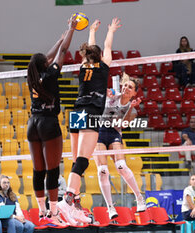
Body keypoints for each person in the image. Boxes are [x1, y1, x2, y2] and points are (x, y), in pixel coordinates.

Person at [57, 18, 122, 225]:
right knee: (83, 160)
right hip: (91, 113)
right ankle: (67, 199)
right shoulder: (103, 67)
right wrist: (110, 30)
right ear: (100, 56)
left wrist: (92, 31)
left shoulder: (83, 66)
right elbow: (108, 46)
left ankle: (74, 201)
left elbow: (94, 50)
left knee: (77, 160)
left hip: (76, 112)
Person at [26, 15, 77, 225]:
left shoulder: (31, 75)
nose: (49, 61)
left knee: (38, 170)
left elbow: (45, 58)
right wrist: (71, 30)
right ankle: (54, 213)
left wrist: (58, 39)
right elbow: (62, 53)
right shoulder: (50, 75)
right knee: (52, 171)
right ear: (45, 64)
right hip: (48, 123)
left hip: (33, 123)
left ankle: (42, 212)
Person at [95, 73, 144, 219]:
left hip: (114, 133)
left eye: (131, 87)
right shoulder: (113, 95)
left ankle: (139, 198)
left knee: (121, 165)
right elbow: (101, 94)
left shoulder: (133, 110)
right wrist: (106, 93)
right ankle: (110, 208)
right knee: (102, 170)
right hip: (99, 131)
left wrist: (130, 108)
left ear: (135, 93)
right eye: (126, 85)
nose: (127, 88)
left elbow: (121, 124)